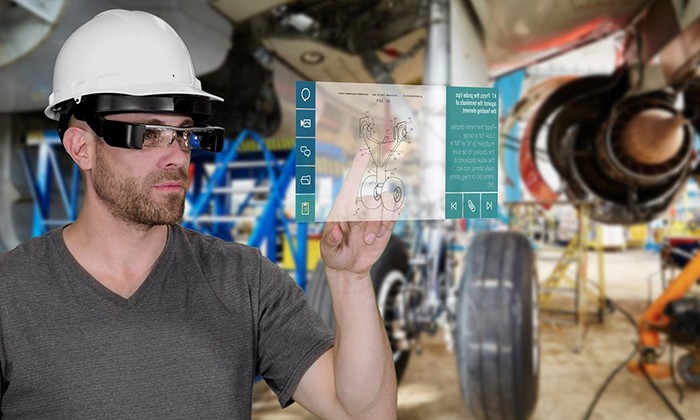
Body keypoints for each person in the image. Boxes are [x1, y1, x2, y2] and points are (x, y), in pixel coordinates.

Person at [0, 9, 397, 419]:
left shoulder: (244, 281)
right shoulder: (9, 295)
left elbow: (363, 414)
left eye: (185, 134)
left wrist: (349, 281)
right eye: (149, 133)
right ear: (81, 147)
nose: (176, 156)